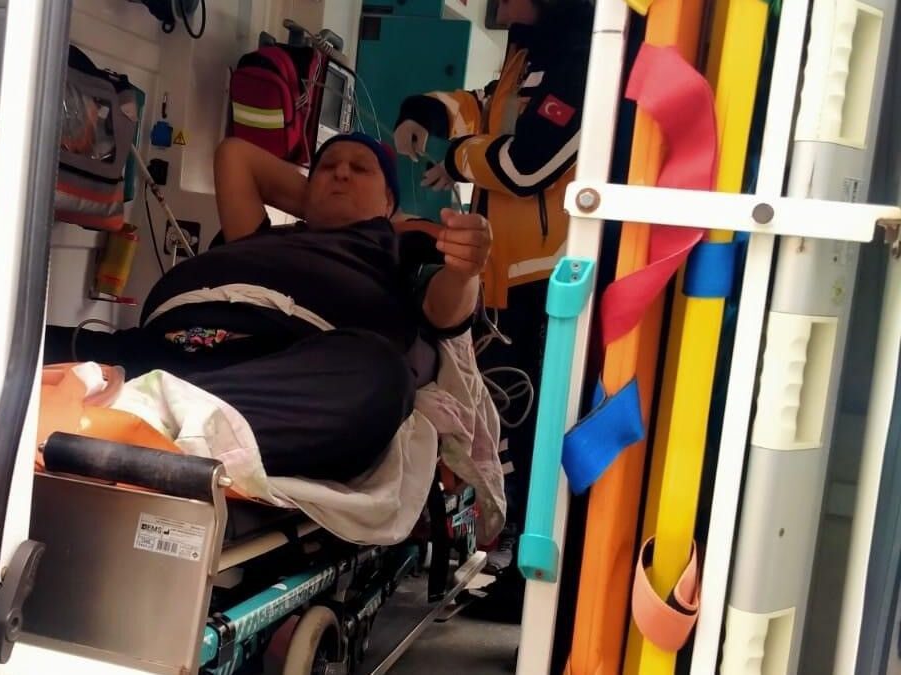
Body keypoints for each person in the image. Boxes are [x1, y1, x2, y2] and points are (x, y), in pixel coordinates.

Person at [45, 132, 492, 483]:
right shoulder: (260, 237)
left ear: (390, 200)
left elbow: (444, 313)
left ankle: (157, 413)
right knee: (16, 339)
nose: (340, 173)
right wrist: (319, 202)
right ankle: (157, 411)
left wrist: (464, 270)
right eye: (327, 167)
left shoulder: (396, 249)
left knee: (384, 379)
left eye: (360, 168)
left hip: (272, 369)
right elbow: (234, 154)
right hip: (154, 351)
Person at [392, 0, 594, 621]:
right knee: (515, 429)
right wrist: (423, 112)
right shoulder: (527, 58)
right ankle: (520, 572)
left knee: (542, 436)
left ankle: (536, 592)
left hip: (550, 281)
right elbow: (480, 105)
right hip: (507, 281)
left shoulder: (582, 59)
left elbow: (526, 164)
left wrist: (456, 156)